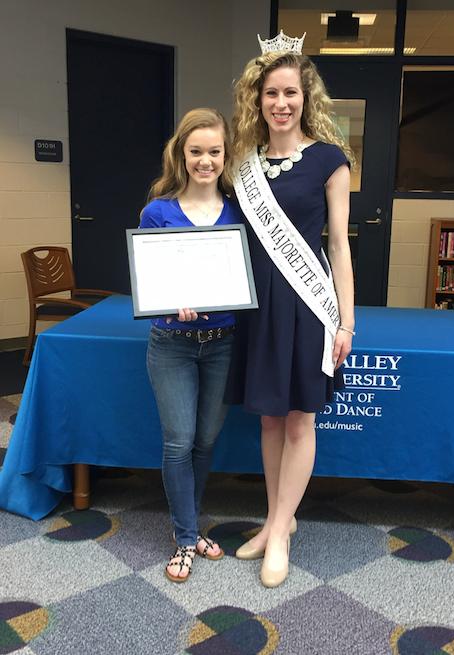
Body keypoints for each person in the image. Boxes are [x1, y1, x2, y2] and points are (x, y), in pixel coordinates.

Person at [226, 34, 355, 588]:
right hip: (258, 307)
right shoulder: (241, 164)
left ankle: (278, 532)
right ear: (257, 100)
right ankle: (278, 517)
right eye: (271, 93)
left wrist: (346, 321)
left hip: (308, 306)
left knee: (300, 417)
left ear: (306, 98)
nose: (281, 103)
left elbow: (340, 247)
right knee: (269, 417)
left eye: (291, 93)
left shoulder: (329, 160)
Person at [140, 108, 242, 582]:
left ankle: (192, 524)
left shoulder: (239, 210)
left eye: (214, 151)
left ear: (226, 155)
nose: (206, 160)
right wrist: (169, 302)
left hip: (223, 342)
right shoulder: (157, 211)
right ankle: (185, 538)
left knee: (205, 441)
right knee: (179, 442)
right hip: (173, 345)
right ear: (181, 154)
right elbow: (150, 279)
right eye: (196, 151)